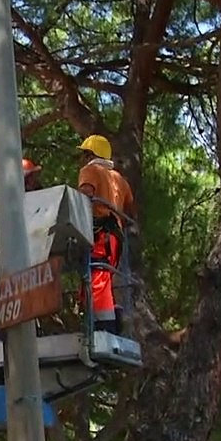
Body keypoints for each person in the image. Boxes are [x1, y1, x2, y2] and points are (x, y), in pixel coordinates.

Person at [74, 134, 134, 335]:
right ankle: (114, 320)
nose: (82, 158)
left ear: (91, 154)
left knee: (97, 277)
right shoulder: (120, 179)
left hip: (100, 234)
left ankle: (104, 329)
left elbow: (84, 195)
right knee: (103, 278)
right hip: (115, 238)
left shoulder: (90, 170)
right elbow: (130, 210)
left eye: (85, 154)